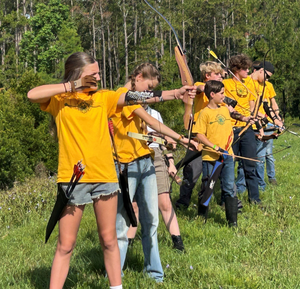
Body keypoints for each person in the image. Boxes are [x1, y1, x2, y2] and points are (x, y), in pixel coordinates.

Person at [27, 53, 194, 289]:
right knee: (66, 244)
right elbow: (32, 94)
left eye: (98, 72)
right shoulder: (60, 99)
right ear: (78, 74)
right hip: (73, 178)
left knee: (109, 240)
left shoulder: (105, 98)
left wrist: (174, 94)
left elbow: (139, 95)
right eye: (93, 73)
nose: (98, 76)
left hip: (104, 177)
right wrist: (73, 85)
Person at [111, 63, 197, 282]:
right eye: (148, 86)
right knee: (122, 223)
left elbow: (153, 98)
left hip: (145, 162)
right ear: (138, 77)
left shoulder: (139, 97)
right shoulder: (124, 95)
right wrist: (180, 137)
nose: (149, 92)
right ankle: (114, 275)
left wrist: (178, 94)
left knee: (151, 221)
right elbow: (151, 121)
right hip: (125, 166)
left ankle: (155, 275)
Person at [194, 80, 254, 226]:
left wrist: (246, 118)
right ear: (212, 94)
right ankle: (202, 217)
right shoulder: (205, 113)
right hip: (211, 157)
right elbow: (199, 134)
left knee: (229, 186)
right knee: (208, 186)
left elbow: (235, 115)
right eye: (221, 93)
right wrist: (213, 146)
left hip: (227, 155)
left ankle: (232, 222)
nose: (224, 96)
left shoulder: (224, 108)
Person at [127, 105, 185, 251]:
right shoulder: (126, 110)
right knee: (133, 205)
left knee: (164, 202)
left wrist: (171, 162)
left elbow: (165, 140)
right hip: (132, 155)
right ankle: (128, 244)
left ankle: (178, 243)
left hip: (156, 155)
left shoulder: (155, 114)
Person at [175, 61, 224, 209]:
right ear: (207, 75)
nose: (221, 77)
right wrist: (205, 88)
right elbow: (199, 88)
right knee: (192, 172)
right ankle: (182, 203)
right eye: (217, 74)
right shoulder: (200, 86)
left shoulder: (220, 92)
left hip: (214, 136)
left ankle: (216, 202)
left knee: (217, 174)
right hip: (199, 137)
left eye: (221, 74)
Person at [235, 61, 283, 192]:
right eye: (266, 75)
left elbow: (267, 105)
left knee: (260, 159)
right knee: (244, 160)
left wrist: (276, 119)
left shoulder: (264, 86)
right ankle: (240, 188)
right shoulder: (247, 81)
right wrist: (262, 119)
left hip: (262, 125)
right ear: (261, 70)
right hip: (247, 125)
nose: (267, 79)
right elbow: (251, 108)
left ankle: (260, 186)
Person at [223, 54, 261, 204]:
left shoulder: (250, 83)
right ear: (236, 69)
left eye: (247, 68)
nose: (247, 71)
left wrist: (253, 117)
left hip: (247, 128)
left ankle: (254, 199)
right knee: (228, 165)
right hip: (230, 128)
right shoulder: (225, 83)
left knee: (250, 164)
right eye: (244, 68)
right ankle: (227, 200)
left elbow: (252, 104)